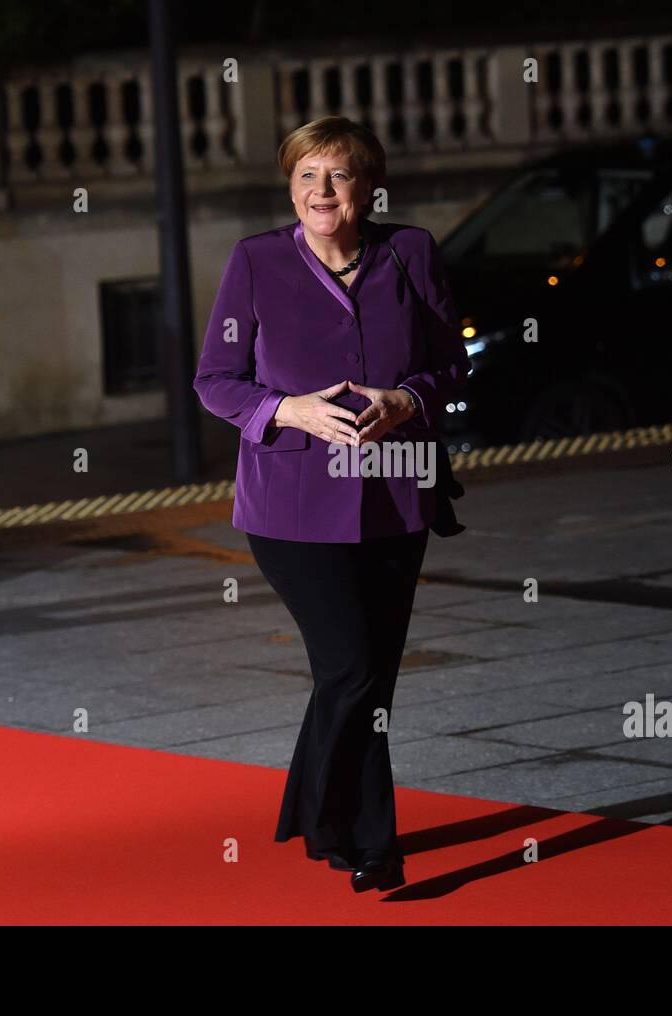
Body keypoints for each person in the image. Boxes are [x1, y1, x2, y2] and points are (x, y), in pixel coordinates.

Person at [192, 116, 471, 893]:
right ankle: (323, 812)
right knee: (349, 665)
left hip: (395, 499)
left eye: (339, 175)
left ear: (368, 187)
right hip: (291, 509)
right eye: (307, 175)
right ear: (290, 186)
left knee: (372, 677)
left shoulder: (410, 252)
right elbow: (215, 379)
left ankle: (365, 840)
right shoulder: (254, 264)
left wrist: (408, 400)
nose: (322, 191)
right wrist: (290, 411)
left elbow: (452, 364)